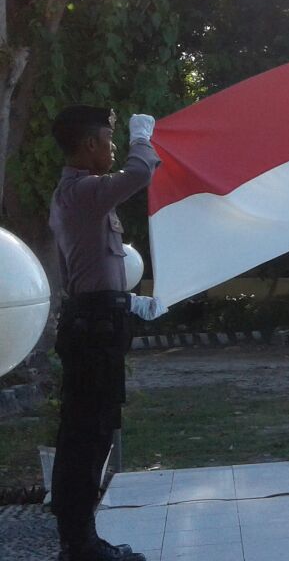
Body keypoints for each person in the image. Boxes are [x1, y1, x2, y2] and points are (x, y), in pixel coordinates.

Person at [49, 105, 163, 561]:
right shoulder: (82, 191)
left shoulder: (80, 194)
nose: (114, 148)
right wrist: (141, 136)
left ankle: (81, 539)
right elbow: (140, 172)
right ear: (89, 145)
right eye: (109, 140)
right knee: (86, 435)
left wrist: (129, 301)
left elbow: (92, 272)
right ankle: (79, 544)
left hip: (99, 320)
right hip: (93, 328)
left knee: (92, 433)